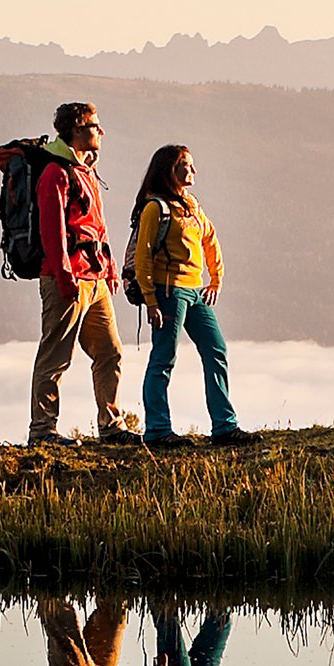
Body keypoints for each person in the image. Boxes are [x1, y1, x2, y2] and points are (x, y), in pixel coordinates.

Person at [22, 102, 130, 446]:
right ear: (76, 128)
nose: (101, 131)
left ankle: (112, 425)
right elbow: (50, 230)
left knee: (110, 350)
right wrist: (65, 276)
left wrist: (109, 267)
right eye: (95, 126)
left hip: (94, 278)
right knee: (56, 356)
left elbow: (96, 224)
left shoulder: (84, 170)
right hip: (65, 279)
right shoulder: (56, 172)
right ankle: (43, 432)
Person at [129, 144, 248, 444]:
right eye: (187, 165)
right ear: (171, 169)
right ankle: (157, 431)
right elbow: (143, 257)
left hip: (194, 291)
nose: (193, 170)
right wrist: (151, 300)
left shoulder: (192, 205)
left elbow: (210, 238)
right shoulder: (156, 208)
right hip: (168, 291)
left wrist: (216, 279)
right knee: (164, 358)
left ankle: (224, 426)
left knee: (216, 350)